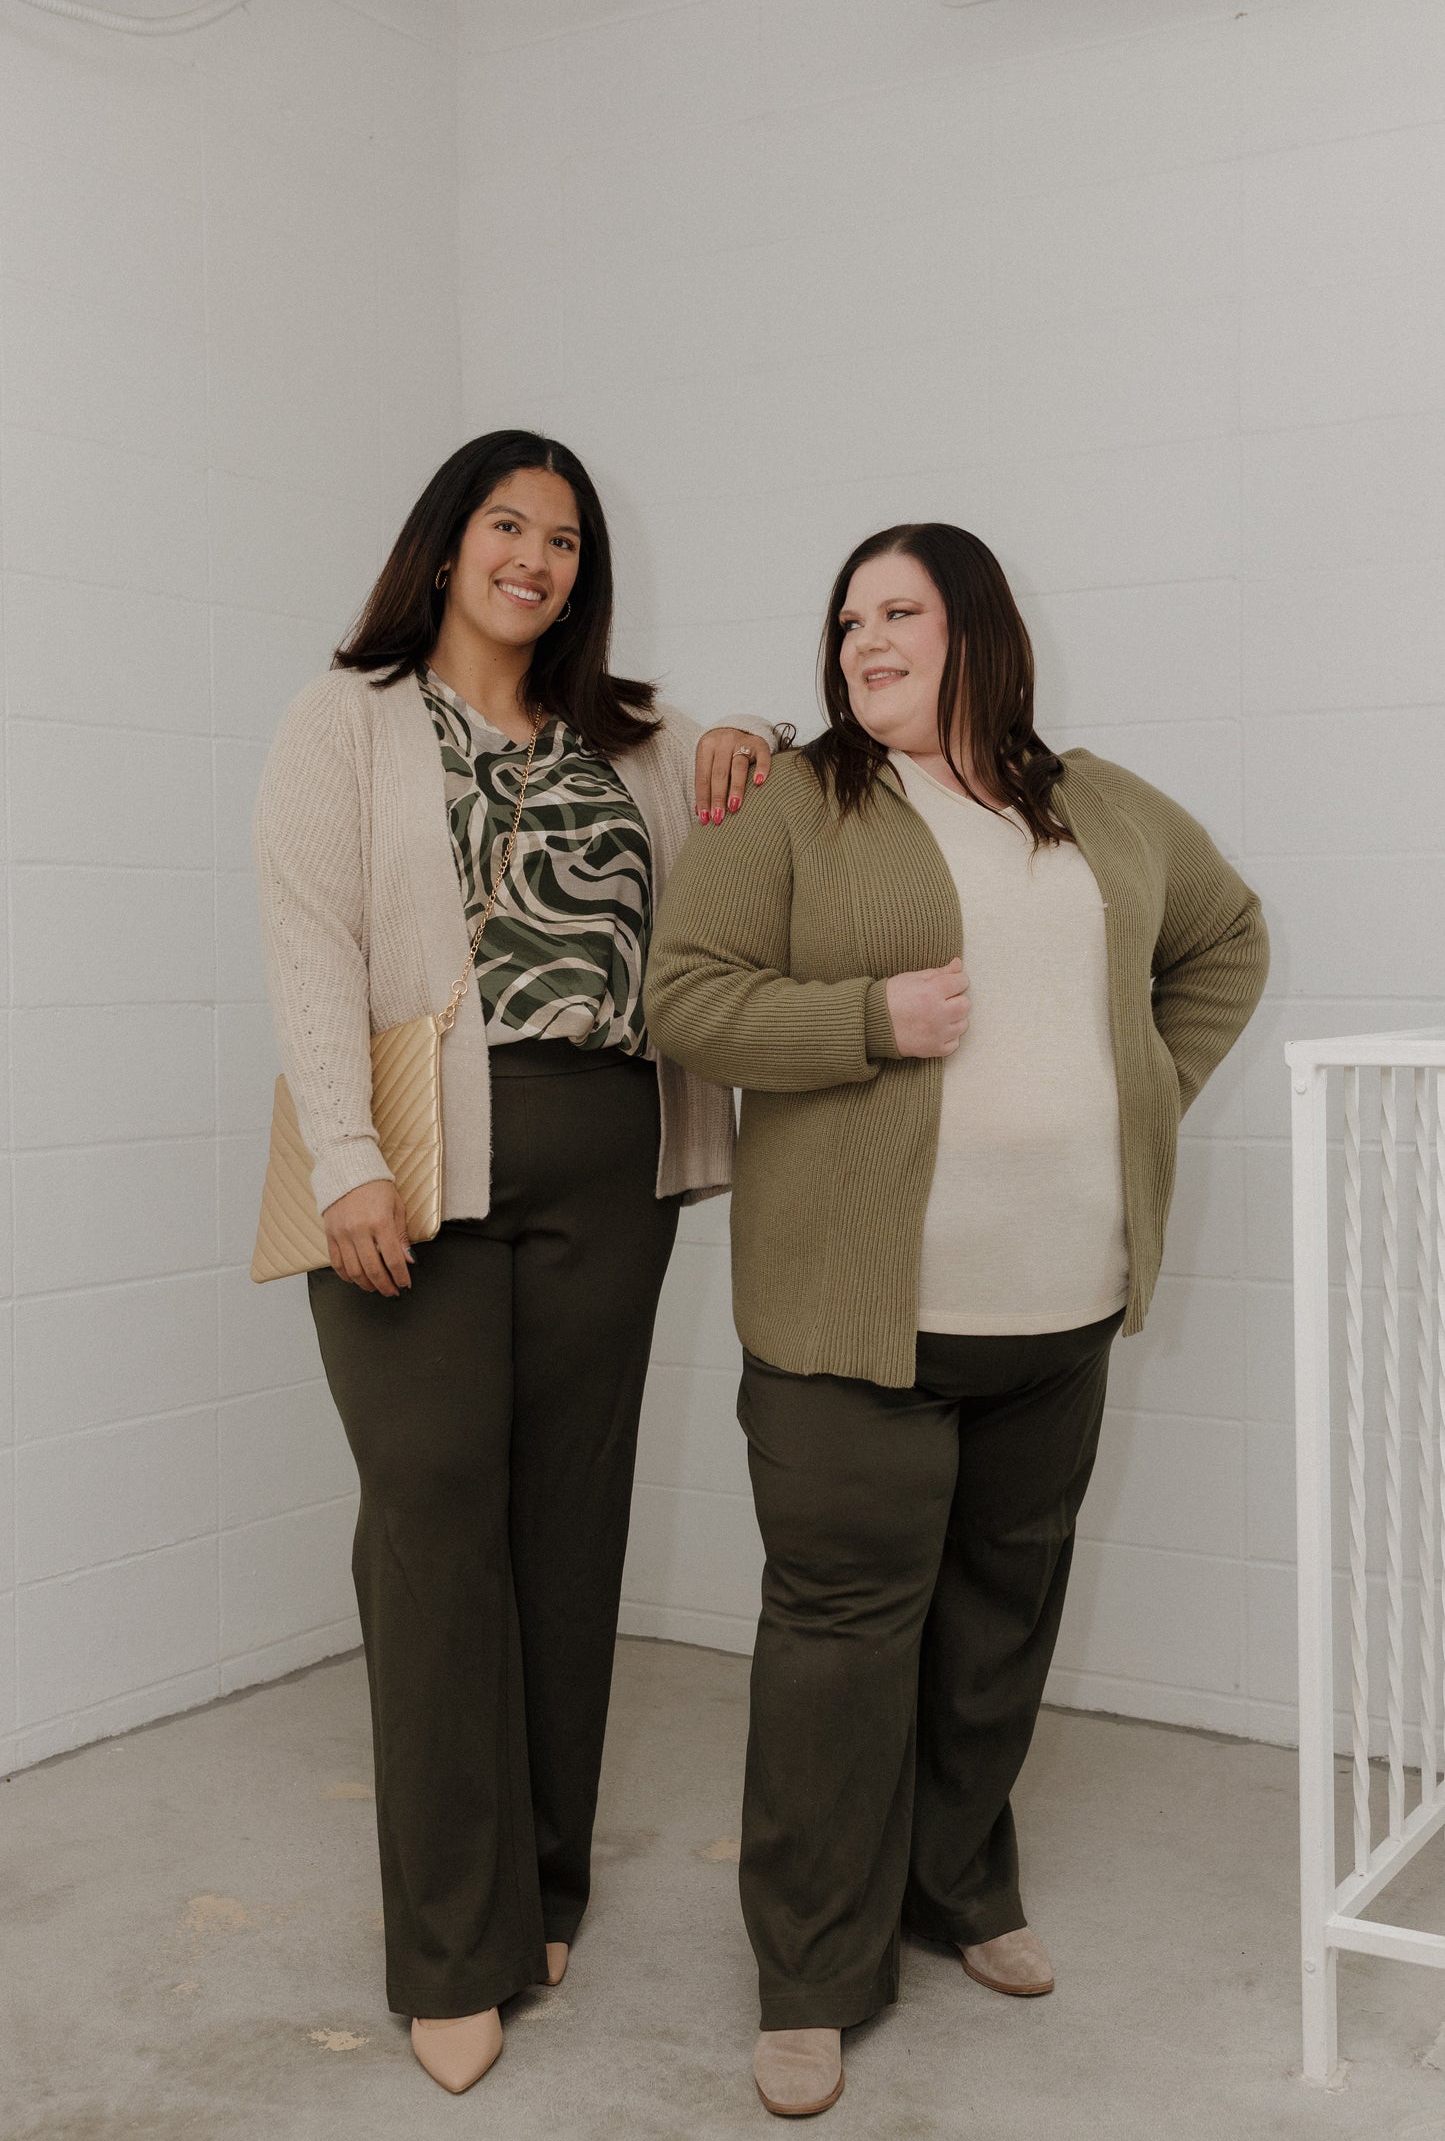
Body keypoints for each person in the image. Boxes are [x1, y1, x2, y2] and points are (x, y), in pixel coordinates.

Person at [644, 521, 1268, 2118]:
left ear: (978, 629)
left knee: (996, 1628)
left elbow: (1225, 937)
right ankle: (809, 1974)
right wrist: (865, 1019)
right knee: (841, 1648)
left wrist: (1148, 1089)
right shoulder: (794, 803)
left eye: (898, 611)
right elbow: (686, 998)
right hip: (855, 1332)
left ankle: (959, 1891)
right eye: (847, 619)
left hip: (1057, 1314)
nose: (863, 640)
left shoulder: (1101, 807)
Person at [254, 430, 779, 2094]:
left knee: (565, 1530)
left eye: (563, 538)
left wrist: (752, 746)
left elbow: (747, 844)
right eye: (506, 525)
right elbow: (308, 936)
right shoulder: (347, 715)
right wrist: (346, 1161)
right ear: (445, 542)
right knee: (427, 1531)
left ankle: (545, 1881)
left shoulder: (642, 739)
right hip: (407, 1156)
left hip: (607, 1162)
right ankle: (449, 1943)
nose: (535, 559)